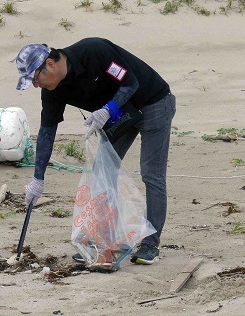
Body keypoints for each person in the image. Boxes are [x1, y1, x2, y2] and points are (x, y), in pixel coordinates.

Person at [14, 38, 176, 265]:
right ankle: (107, 242)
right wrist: (37, 179)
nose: (35, 85)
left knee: (151, 173)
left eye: (34, 78)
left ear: (50, 64)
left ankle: (151, 243)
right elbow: (47, 132)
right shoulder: (53, 90)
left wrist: (107, 110)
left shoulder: (94, 52)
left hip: (153, 102)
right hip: (122, 116)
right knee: (101, 171)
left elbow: (130, 83)